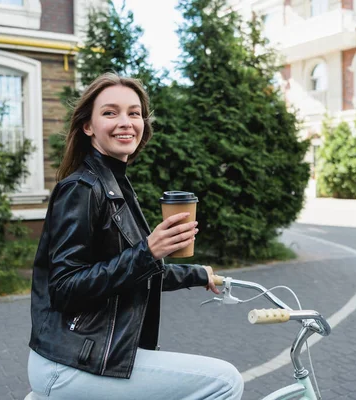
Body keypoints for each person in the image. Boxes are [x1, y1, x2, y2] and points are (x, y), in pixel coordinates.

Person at [27, 72, 244, 400]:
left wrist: (198, 274)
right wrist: (148, 251)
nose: (125, 122)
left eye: (134, 113)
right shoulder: (82, 188)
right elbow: (64, 288)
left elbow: (129, 269)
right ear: (88, 126)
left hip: (87, 352)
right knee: (225, 381)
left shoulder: (114, 184)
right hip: (69, 359)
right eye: (110, 112)